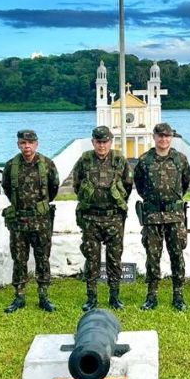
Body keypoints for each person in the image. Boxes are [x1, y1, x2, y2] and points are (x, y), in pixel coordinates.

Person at [71, 125, 133, 311]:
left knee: (114, 259)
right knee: (92, 259)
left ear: (110, 142)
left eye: (105, 142)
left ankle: (114, 296)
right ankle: (91, 297)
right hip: (91, 218)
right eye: (98, 142)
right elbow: (76, 184)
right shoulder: (85, 160)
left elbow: (128, 185)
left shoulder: (119, 160)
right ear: (93, 142)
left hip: (114, 218)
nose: (102, 145)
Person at [133, 122, 190, 311]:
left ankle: (178, 296)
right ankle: (152, 296)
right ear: (154, 137)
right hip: (152, 216)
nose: (163, 139)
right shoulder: (145, 160)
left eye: (167, 136)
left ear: (171, 137)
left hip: (175, 216)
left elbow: (185, 182)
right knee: (152, 257)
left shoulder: (180, 159)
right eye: (160, 136)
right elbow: (139, 185)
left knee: (177, 256)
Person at [2, 129, 60, 313]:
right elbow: (7, 188)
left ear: (36, 144)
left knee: (43, 258)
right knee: (19, 259)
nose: (27, 146)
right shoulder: (11, 166)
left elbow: (54, 188)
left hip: (41, 221)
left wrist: (40, 207)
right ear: (18, 144)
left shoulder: (47, 164)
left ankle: (44, 296)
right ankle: (19, 296)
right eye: (23, 143)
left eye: (30, 143)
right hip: (19, 221)